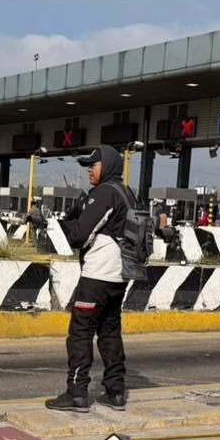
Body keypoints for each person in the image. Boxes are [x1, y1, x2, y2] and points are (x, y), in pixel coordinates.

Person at [46, 145, 133, 413]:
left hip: (97, 275)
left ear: (105, 166)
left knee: (80, 332)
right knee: (109, 331)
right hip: (120, 275)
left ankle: (76, 393)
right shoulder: (128, 193)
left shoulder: (105, 192)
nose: (88, 171)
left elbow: (79, 236)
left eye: (92, 166)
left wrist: (71, 224)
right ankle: (115, 391)